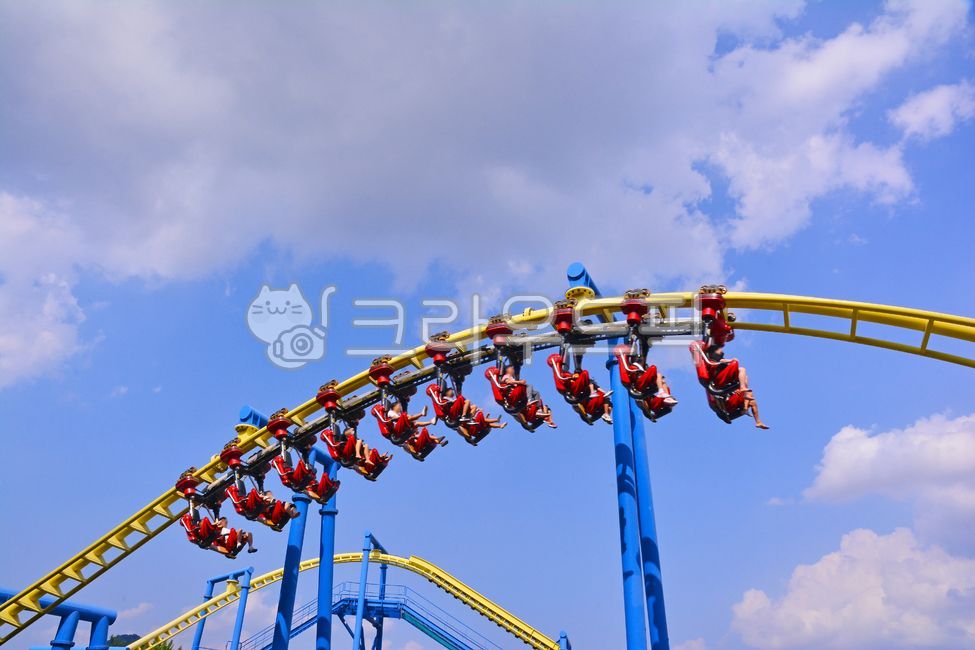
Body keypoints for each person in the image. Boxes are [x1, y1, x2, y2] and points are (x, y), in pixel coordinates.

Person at [705, 344, 769, 429]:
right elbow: (731, 361)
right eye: (719, 350)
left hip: (728, 399)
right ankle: (745, 404)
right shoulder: (713, 362)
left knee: (750, 396)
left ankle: (758, 421)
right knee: (741, 369)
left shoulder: (720, 364)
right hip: (725, 401)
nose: (721, 351)